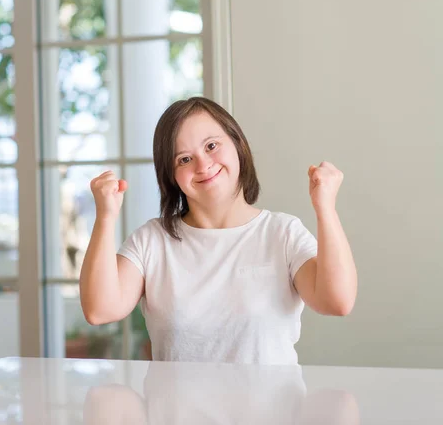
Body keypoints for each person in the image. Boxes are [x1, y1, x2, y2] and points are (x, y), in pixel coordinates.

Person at [80, 96, 357, 364]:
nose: (203, 164)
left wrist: (325, 208)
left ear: (237, 144)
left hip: (273, 412)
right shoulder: (151, 241)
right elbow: (100, 309)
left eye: (211, 145)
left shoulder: (283, 233)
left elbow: (337, 301)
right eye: (184, 159)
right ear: (172, 176)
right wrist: (105, 216)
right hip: (176, 412)